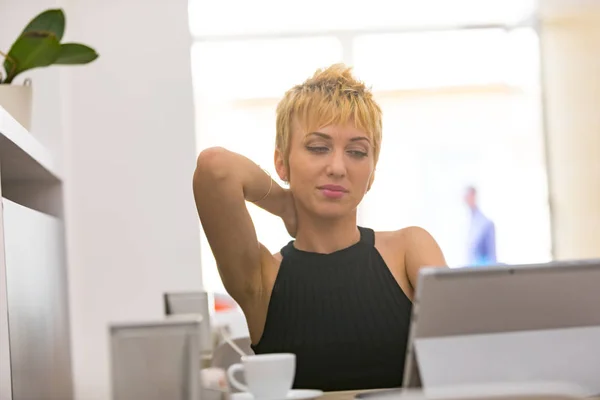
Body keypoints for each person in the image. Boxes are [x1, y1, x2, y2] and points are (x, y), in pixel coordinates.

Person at [192, 64, 447, 391]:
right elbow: (215, 169)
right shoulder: (261, 278)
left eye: (357, 152)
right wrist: (283, 204)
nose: (338, 167)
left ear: (372, 173)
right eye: (318, 147)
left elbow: (460, 362)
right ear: (281, 162)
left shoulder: (410, 249)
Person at [464, 186, 497, 266]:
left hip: (481, 272)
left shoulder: (486, 224)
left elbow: (491, 256)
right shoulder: (466, 222)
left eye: (468, 196)